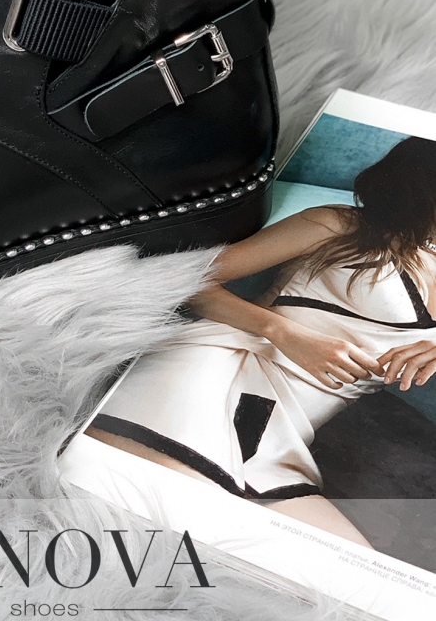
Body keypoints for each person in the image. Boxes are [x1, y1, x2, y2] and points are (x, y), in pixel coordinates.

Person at [88, 136, 436, 546]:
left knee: (350, 562)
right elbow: (183, 280)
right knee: (157, 517)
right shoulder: (340, 225)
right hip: (223, 370)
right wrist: (283, 331)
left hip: (285, 434)